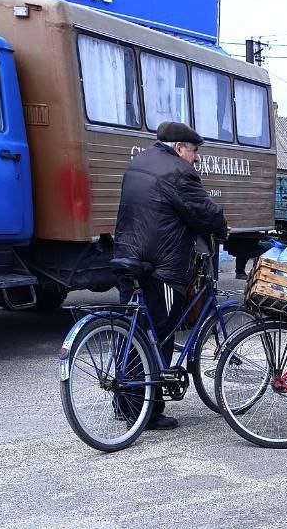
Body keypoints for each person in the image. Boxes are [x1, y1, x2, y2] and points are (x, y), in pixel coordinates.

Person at [114, 121, 228, 430]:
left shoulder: (139, 162)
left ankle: (125, 402)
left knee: (132, 332)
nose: (197, 158)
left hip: (127, 257)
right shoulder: (178, 171)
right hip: (160, 266)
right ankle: (148, 412)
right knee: (160, 335)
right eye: (194, 151)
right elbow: (203, 210)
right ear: (179, 148)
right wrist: (222, 228)